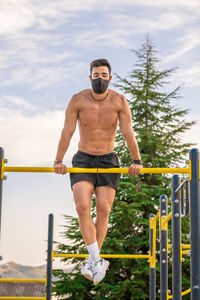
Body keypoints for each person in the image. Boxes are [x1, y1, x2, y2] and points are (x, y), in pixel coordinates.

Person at [53, 58, 143, 285]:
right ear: (90, 77)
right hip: (83, 159)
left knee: (103, 209)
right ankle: (96, 260)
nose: (100, 79)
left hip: (108, 160)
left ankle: (93, 261)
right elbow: (67, 131)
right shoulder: (77, 100)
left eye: (104, 75)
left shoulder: (119, 101)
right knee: (82, 206)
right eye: (96, 75)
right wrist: (58, 160)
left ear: (110, 78)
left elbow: (128, 132)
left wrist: (137, 160)